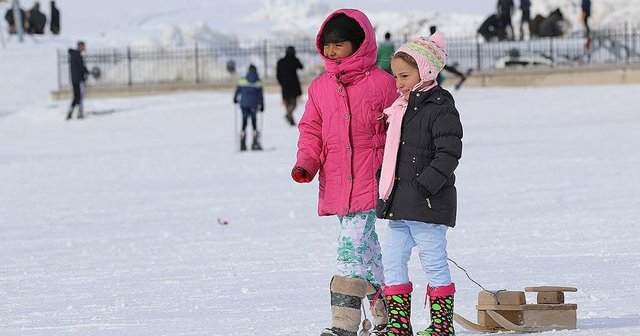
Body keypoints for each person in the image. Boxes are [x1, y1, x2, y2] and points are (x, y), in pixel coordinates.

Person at [291, 9, 397, 336]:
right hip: (337, 180)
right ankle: (387, 315)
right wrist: (307, 161)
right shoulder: (320, 87)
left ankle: (344, 325)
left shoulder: (382, 83)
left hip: (372, 177)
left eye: (341, 43)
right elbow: (311, 129)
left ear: (360, 43)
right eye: (328, 44)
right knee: (367, 250)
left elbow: (399, 126)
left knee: (349, 248)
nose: (333, 50)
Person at [375, 31, 463, 336]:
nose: (397, 83)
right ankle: (399, 323)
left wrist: (425, 187)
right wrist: (383, 182)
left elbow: (449, 153)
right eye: (395, 76)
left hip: (427, 203)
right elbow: (393, 154)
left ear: (425, 70)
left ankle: (441, 326)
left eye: (404, 76)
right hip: (399, 203)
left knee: (434, 262)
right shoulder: (399, 110)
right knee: (392, 259)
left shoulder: (440, 107)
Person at [233, 64, 264, 151]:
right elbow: (260, 95)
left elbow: (237, 90)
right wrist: (262, 105)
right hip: (254, 105)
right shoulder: (258, 81)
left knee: (244, 122)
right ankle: (255, 142)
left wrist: (235, 99)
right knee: (254, 123)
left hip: (244, 104)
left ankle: (242, 143)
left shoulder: (243, 79)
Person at [276, 46, 304, 126]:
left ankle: (290, 119)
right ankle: (288, 115)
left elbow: (278, 75)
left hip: (285, 86)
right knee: (294, 104)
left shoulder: (280, 62)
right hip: (293, 85)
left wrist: (281, 83)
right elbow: (301, 67)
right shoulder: (294, 60)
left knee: (287, 103)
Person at [66, 41, 89, 120]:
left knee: (76, 97)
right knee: (79, 96)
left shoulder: (74, 55)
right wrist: (87, 72)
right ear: (79, 46)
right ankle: (78, 112)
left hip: (75, 79)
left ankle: (71, 112)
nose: (84, 48)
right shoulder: (77, 56)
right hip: (78, 79)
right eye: (83, 46)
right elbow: (81, 67)